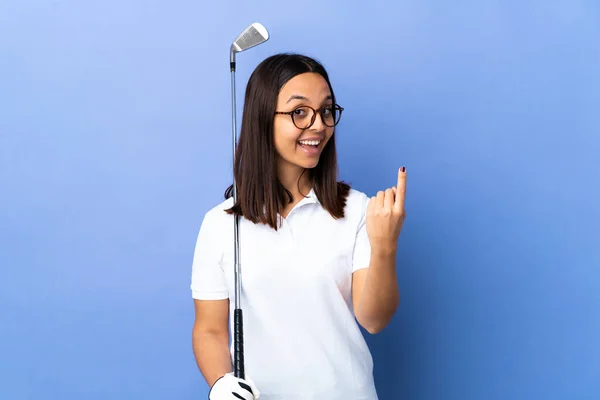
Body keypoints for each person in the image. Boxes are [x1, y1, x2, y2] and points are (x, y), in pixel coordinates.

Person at [190, 53, 407, 400]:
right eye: (299, 112)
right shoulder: (220, 224)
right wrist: (220, 381)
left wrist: (385, 246)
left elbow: (374, 319)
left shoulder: (356, 209)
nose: (319, 125)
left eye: (326, 110)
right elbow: (210, 330)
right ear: (263, 119)